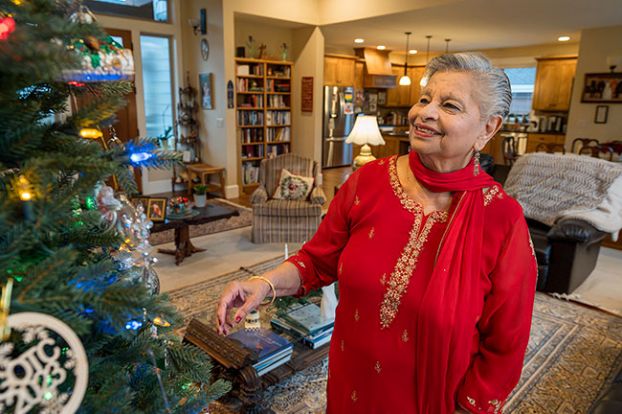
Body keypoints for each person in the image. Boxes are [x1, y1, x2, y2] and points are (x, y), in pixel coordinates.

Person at [216, 53, 537, 414]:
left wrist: (470, 408)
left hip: (432, 399)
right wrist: (264, 284)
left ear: (488, 129)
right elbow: (316, 260)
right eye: (424, 98)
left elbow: (505, 343)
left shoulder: (501, 219)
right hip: (351, 381)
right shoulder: (367, 182)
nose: (424, 113)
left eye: (449, 105)